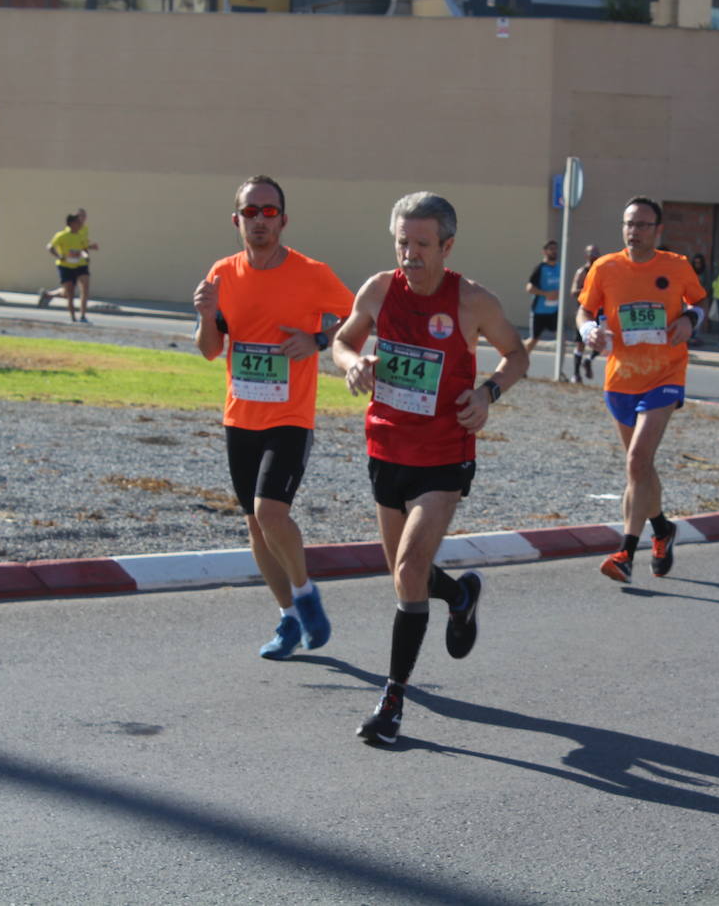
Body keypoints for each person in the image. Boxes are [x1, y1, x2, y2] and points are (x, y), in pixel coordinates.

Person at [332, 192, 528, 745]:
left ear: (447, 245)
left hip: (444, 452)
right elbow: (342, 341)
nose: (410, 255)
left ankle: (393, 698)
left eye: (421, 244)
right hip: (386, 447)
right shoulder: (379, 288)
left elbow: (517, 355)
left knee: (411, 564)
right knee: (401, 570)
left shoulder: (472, 301)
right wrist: (354, 365)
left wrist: (488, 392)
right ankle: (460, 597)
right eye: (402, 243)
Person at [192, 175, 353, 660]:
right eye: (250, 211)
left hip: (290, 415)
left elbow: (360, 317)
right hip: (240, 415)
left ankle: (306, 597)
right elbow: (210, 350)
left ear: (283, 219)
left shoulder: (311, 273)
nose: (259, 220)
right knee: (254, 525)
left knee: (270, 511)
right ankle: (287, 617)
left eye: (268, 211)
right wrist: (205, 315)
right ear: (236, 219)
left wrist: (318, 341)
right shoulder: (222, 273)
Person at [577, 196, 706, 584]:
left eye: (643, 225)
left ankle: (625, 552)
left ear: (658, 230)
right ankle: (663, 529)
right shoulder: (605, 267)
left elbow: (700, 301)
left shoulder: (676, 266)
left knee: (636, 462)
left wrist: (689, 319)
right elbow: (584, 309)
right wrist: (588, 330)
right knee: (641, 466)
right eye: (629, 224)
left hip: (665, 373)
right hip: (620, 378)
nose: (634, 231)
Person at [44, 211, 98, 323]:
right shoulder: (62, 235)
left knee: (85, 288)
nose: (81, 224)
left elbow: (84, 249)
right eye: (78, 222)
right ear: (72, 223)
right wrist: (59, 256)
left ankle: (83, 316)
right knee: (69, 293)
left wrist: (87, 255)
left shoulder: (80, 235)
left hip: (80, 265)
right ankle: (73, 318)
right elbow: (50, 247)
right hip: (66, 267)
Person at [523, 239, 564, 376]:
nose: (554, 251)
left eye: (556, 249)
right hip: (539, 311)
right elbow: (529, 288)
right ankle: (520, 366)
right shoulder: (540, 268)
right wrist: (546, 294)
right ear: (545, 251)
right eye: (551, 249)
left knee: (561, 338)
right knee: (533, 340)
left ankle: (559, 371)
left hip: (554, 311)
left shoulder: (559, 268)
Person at [568, 244, 603, 383]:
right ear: (586, 256)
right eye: (592, 253)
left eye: (596, 253)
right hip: (585, 311)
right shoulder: (582, 272)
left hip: (600, 311)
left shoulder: (601, 270)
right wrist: (589, 292)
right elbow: (573, 291)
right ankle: (576, 374)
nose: (594, 256)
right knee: (580, 343)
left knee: (603, 339)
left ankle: (589, 360)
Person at [690, 252, 710, 346]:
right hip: (690, 297)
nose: (697, 264)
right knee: (690, 316)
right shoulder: (690, 271)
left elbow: (707, 285)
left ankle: (694, 336)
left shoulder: (704, 273)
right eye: (696, 262)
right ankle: (690, 336)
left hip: (700, 298)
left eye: (699, 263)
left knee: (699, 317)